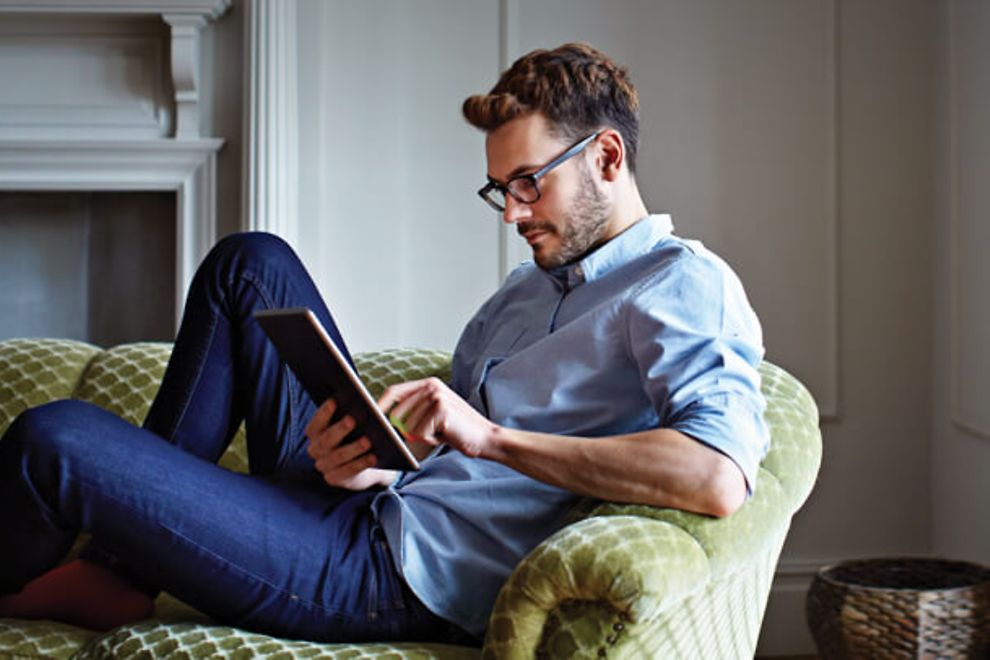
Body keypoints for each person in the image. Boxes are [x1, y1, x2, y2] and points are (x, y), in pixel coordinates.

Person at [0, 43, 768, 644]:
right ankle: (117, 570)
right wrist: (365, 459)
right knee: (251, 261)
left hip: (390, 576)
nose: (511, 212)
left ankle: (96, 569)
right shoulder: (526, 290)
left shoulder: (681, 285)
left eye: (529, 182)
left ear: (606, 157)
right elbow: (442, 455)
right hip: (369, 507)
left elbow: (716, 475)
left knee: (54, 437)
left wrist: (492, 438)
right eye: (501, 190)